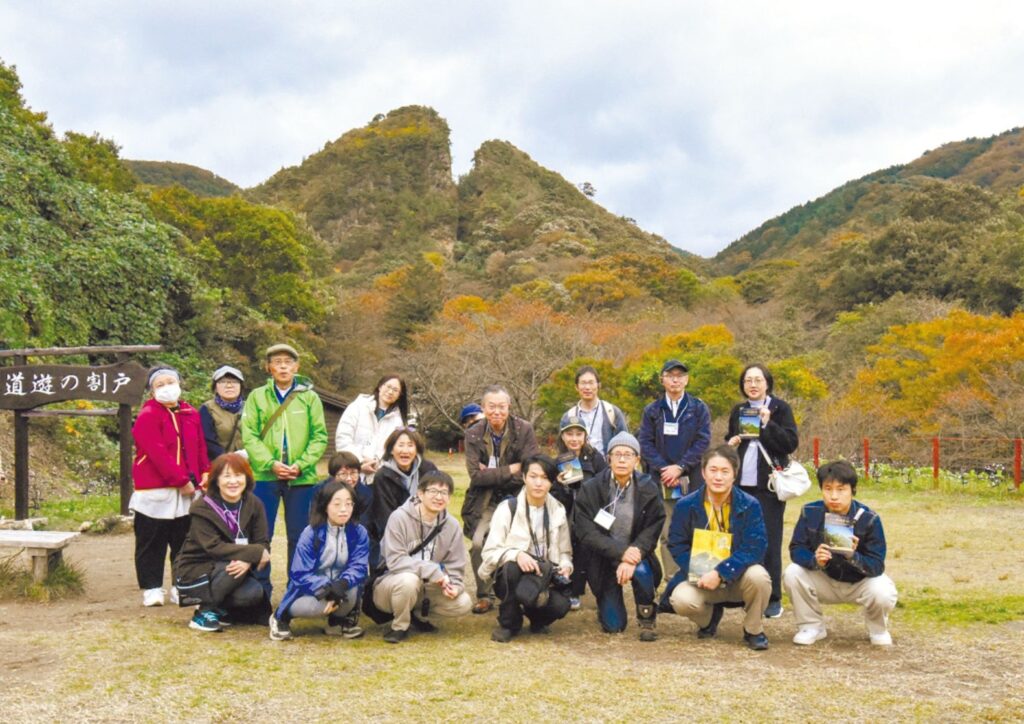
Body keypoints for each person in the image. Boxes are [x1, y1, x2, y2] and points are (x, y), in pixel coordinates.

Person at [664, 445, 772, 651]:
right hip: (702, 578)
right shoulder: (686, 505)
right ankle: (708, 620)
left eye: (725, 471)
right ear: (703, 473)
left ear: (734, 475)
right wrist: (699, 570)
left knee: (760, 577)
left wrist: (721, 573)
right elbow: (677, 544)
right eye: (713, 470)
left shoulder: (750, 504)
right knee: (681, 599)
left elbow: (755, 546)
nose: (718, 477)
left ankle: (753, 629)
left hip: (739, 576)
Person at [240, 343, 328, 593]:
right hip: (264, 476)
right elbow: (250, 436)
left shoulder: (309, 397)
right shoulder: (257, 396)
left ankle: (297, 587)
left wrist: (301, 464)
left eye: (288, 362)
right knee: (261, 533)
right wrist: (270, 463)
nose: (283, 367)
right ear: (269, 368)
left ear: (296, 367)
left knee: (300, 535)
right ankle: (260, 590)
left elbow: (319, 436)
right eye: (277, 362)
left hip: (302, 478)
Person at [784, 460, 898, 646]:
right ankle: (811, 626)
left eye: (841, 489)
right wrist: (815, 560)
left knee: (883, 590)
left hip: (859, 582)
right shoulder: (810, 512)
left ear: (853, 490)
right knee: (792, 573)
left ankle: (878, 629)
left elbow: (877, 565)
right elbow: (796, 549)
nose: (834, 496)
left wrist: (853, 556)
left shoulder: (869, 519)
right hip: (825, 578)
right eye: (828, 489)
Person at [130, 366, 210, 607]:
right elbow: (157, 453)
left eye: (170, 382)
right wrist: (181, 480)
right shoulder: (147, 415)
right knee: (151, 541)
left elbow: (200, 447)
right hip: (155, 489)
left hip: (188, 489)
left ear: (179, 383)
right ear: (151, 391)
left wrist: (205, 472)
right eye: (160, 384)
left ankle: (181, 585)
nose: (166, 388)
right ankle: (152, 588)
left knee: (183, 541)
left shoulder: (190, 413)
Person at [574, 432, 665, 641]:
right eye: (617, 454)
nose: (622, 460)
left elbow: (654, 525)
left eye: (628, 455)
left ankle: (647, 617)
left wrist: (634, 553)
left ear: (637, 460)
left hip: (636, 555)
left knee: (642, 572)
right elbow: (586, 531)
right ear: (609, 459)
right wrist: (621, 552)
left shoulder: (648, 487)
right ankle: (606, 605)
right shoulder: (592, 488)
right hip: (604, 559)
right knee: (614, 626)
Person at [726, 363, 799, 619]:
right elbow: (731, 439)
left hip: (768, 488)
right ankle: (743, 591)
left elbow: (790, 443)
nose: (753, 385)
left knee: (769, 540)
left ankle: (772, 598)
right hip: (740, 486)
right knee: (740, 538)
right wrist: (731, 442)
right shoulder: (739, 411)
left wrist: (768, 424)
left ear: (767, 383)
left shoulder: (780, 409)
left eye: (758, 380)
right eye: (748, 380)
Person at [461, 385, 540, 614]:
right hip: (486, 500)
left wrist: (492, 474)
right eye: (491, 406)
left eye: (501, 406)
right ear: (483, 408)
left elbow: (529, 469)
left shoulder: (524, 429)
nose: (497, 411)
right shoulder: (474, 433)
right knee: (478, 543)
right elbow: (476, 476)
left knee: (521, 543)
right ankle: (484, 594)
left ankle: (520, 593)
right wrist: (511, 469)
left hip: (517, 497)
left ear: (509, 407)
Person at [480, 455, 574, 642]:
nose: (538, 483)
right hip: (511, 575)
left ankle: (537, 619)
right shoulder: (508, 508)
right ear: (524, 477)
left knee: (561, 605)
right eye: (533, 476)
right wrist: (516, 554)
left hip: (542, 575)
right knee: (512, 567)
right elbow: (489, 552)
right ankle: (509, 623)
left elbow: (565, 552)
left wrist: (566, 566)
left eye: (545, 478)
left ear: (552, 482)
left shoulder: (558, 510)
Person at [173, 453, 270, 632]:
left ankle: (220, 610)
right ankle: (203, 612)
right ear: (216, 480)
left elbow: (262, 541)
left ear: (247, 478)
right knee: (233, 569)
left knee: (253, 593)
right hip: (198, 567)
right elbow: (213, 547)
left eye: (238, 475)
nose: (233, 481)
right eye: (226, 476)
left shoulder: (254, 503)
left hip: (231, 565)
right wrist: (254, 553)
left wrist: (248, 561)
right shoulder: (202, 506)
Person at [373, 471, 473, 643]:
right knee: (409, 580)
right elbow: (395, 560)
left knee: (463, 602)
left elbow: (455, 565)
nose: (439, 497)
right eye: (433, 491)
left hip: (426, 587)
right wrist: (432, 571)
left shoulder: (452, 525)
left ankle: (418, 614)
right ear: (420, 494)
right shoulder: (399, 518)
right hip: (391, 584)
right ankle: (400, 625)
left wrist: (455, 586)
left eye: (444, 493)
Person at [637, 359, 711, 580]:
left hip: (693, 478)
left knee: (698, 526)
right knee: (668, 530)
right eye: (670, 376)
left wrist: (680, 467)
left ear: (686, 380)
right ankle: (674, 579)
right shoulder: (652, 410)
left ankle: (699, 576)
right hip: (663, 480)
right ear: (663, 380)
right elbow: (645, 443)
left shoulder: (698, 408)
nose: (675, 380)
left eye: (680, 376)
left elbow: (703, 441)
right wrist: (664, 469)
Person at [269, 480, 370, 641]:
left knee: (352, 590)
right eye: (337, 504)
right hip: (311, 590)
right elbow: (299, 573)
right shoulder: (311, 533)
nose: (344, 509)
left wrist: (342, 584)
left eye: (348, 504)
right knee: (317, 607)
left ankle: (336, 623)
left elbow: (359, 566)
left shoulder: (359, 532)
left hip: (340, 586)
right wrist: (327, 588)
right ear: (325, 506)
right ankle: (281, 616)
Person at [554, 415, 608, 610]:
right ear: (562, 436)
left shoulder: (596, 459)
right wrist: (561, 486)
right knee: (570, 547)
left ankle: (602, 591)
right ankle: (573, 590)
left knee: (591, 550)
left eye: (579, 434)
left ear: (585, 436)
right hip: (568, 515)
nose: (574, 439)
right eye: (569, 434)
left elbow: (605, 489)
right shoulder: (557, 461)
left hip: (593, 514)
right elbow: (554, 499)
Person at [335, 374, 413, 483]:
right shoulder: (358, 407)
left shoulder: (398, 420)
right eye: (388, 387)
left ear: (400, 395)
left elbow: (395, 450)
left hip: (380, 476)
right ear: (380, 386)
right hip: (351, 472)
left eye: (395, 390)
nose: (390, 392)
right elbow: (343, 439)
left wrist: (378, 465)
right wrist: (360, 462)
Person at [369, 428, 439, 543]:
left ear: (416, 450)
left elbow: (436, 502)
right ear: (391, 450)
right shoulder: (382, 476)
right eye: (400, 445)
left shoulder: (428, 469)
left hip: (427, 530)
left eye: (410, 445)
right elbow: (385, 516)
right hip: (396, 535)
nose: (405, 450)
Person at [559, 365, 628, 456]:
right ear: (576, 387)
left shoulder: (612, 412)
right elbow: (562, 448)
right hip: (577, 464)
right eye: (583, 383)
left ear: (599, 385)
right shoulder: (568, 416)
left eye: (591, 383)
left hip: (606, 464)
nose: (587, 387)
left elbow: (625, 442)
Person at [199, 365, 246, 462]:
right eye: (223, 382)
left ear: (241, 386)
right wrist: (228, 460)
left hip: (249, 464)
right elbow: (208, 441)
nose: (229, 386)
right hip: (220, 464)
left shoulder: (251, 407)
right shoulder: (207, 409)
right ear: (215, 387)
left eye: (234, 382)